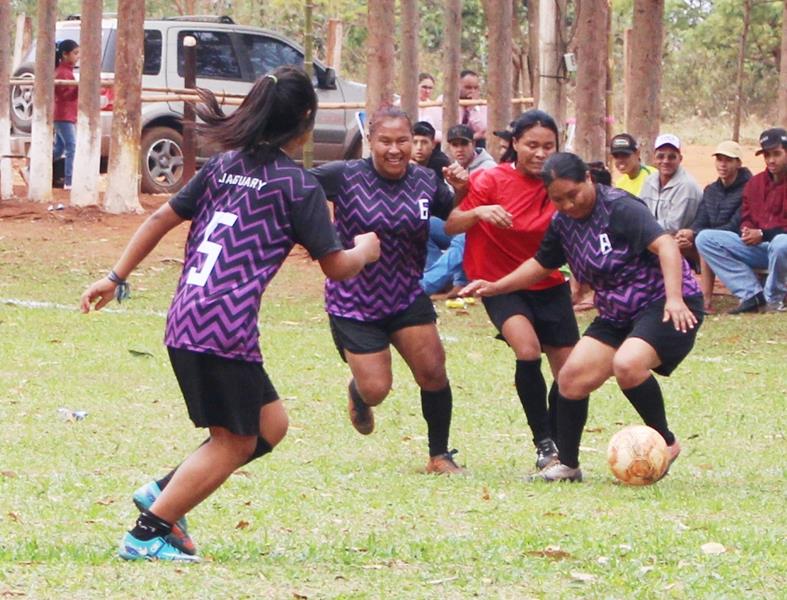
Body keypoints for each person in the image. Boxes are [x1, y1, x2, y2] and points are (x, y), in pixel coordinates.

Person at [80, 67, 381, 562]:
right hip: (224, 330)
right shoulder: (296, 186)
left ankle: (165, 492)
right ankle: (147, 533)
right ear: (306, 121)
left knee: (271, 426)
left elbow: (159, 217)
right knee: (235, 442)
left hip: (187, 320)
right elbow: (338, 268)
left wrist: (115, 277)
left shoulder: (223, 167)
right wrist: (365, 250)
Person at [462, 152, 703, 482]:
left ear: (588, 179)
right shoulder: (562, 224)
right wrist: (496, 286)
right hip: (617, 313)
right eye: (557, 199)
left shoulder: (620, 207)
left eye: (573, 195)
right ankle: (568, 465)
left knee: (628, 364)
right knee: (571, 378)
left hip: (664, 303)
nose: (568, 205)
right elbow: (540, 265)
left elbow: (667, 246)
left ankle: (667, 441)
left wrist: (675, 298)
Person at [310, 107, 470, 475]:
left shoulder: (425, 180)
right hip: (354, 300)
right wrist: (324, 239)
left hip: (405, 294)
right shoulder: (344, 175)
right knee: (377, 389)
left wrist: (461, 192)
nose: (395, 149)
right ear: (371, 141)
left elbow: (450, 219)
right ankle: (358, 392)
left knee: (433, 371)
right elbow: (296, 190)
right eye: (386, 141)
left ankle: (439, 455)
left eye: (403, 141)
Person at [444, 110, 579, 470]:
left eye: (548, 146)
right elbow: (451, 225)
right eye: (531, 145)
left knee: (570, 374)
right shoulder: (492, 179)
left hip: (547, 283)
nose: (540, 153)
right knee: (527, 350)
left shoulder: (561, 184)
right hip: (497, 283)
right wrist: (482, 211)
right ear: (514, 144)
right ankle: (544, 442)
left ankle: (560, 443)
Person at [696, 128, 787, 314]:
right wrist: (747, 230)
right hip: (760, 247)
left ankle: (774, 300)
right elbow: (747, 216)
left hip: (781, 246)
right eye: (767, 155)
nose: (771, 160)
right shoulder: (756, 183)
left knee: (781, 243)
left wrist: (763, 234)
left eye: (776, 154)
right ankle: (751, 294)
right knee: (705, 238)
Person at [420, 124, 496, 297]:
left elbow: (478, 212)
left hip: (484, 229)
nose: (459, 149)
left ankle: (425, 286)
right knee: (425, 223)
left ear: (473, 144)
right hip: (461, 223)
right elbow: (454, 209)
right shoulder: (452, 167)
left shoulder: (488, 169)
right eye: (455, 145)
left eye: (464, 144)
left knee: (465, 237)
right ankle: (441, 280)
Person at [675, 141, 751, 312]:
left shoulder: (749, 188)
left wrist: (699, 234)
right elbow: (700, 221)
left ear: (738, 163)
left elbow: (735, 226)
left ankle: (706, 298)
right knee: (685, 240)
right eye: (719, 159)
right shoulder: (711, 190)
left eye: (728, 160)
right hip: (711, 239)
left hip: (740, 240)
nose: (722, 164)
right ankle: (688, 296)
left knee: (705, 240)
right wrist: (690, 233)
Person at [640, 134, 702, 234]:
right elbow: (640, 213)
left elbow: (673, 227)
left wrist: (640, 226)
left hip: (677, 242)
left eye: (672, 157)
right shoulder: (649, 181)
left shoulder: (687, 186)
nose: (665, 161)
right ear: (654, 158)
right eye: (660, 156)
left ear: (680, 159)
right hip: (652, 237)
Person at [53, 40, 80, 190]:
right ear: (65, 54)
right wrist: (79, 88)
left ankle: (32, 169)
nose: (78, 57)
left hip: (65, 115)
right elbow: (66, 95)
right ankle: (69, 181)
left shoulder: (66, 71)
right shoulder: (63, 72)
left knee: (59, 148)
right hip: (64, 115)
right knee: (72, 146)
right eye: (75, 53)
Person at [610, 133, 656, 197]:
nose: (620, 160)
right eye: (616, 156)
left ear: (637, 153)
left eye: (625, 155)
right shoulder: (620, 185)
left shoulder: (653, 176)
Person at [458, 69, 488, 147]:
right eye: (468, 87)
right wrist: (474, 136)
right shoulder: (447, 102)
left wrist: (472, 108)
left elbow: (484, 131)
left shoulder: (482, 105)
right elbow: (455, 130)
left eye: (475, 88)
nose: (472, 91)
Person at [417, 73, 443, 142]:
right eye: (424, 87)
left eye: (430, 88)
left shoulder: (434, 107)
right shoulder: (402, 103)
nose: (427, 91)